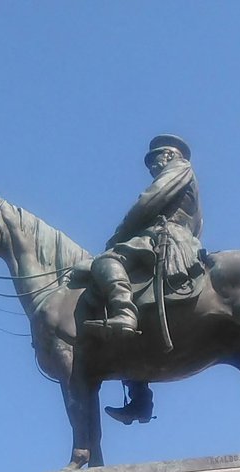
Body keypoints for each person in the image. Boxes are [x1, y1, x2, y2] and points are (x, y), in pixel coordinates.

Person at [86, 134, 204, 426]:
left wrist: (119, 235)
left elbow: (150, 201)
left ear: (169, 155)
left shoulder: (180, 167)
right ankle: (139, 398)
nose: (152, 166)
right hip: (168, 237)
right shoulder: (183, 173)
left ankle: (124, 313)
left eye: (155, 159)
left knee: (106, 261)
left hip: (166, 237)